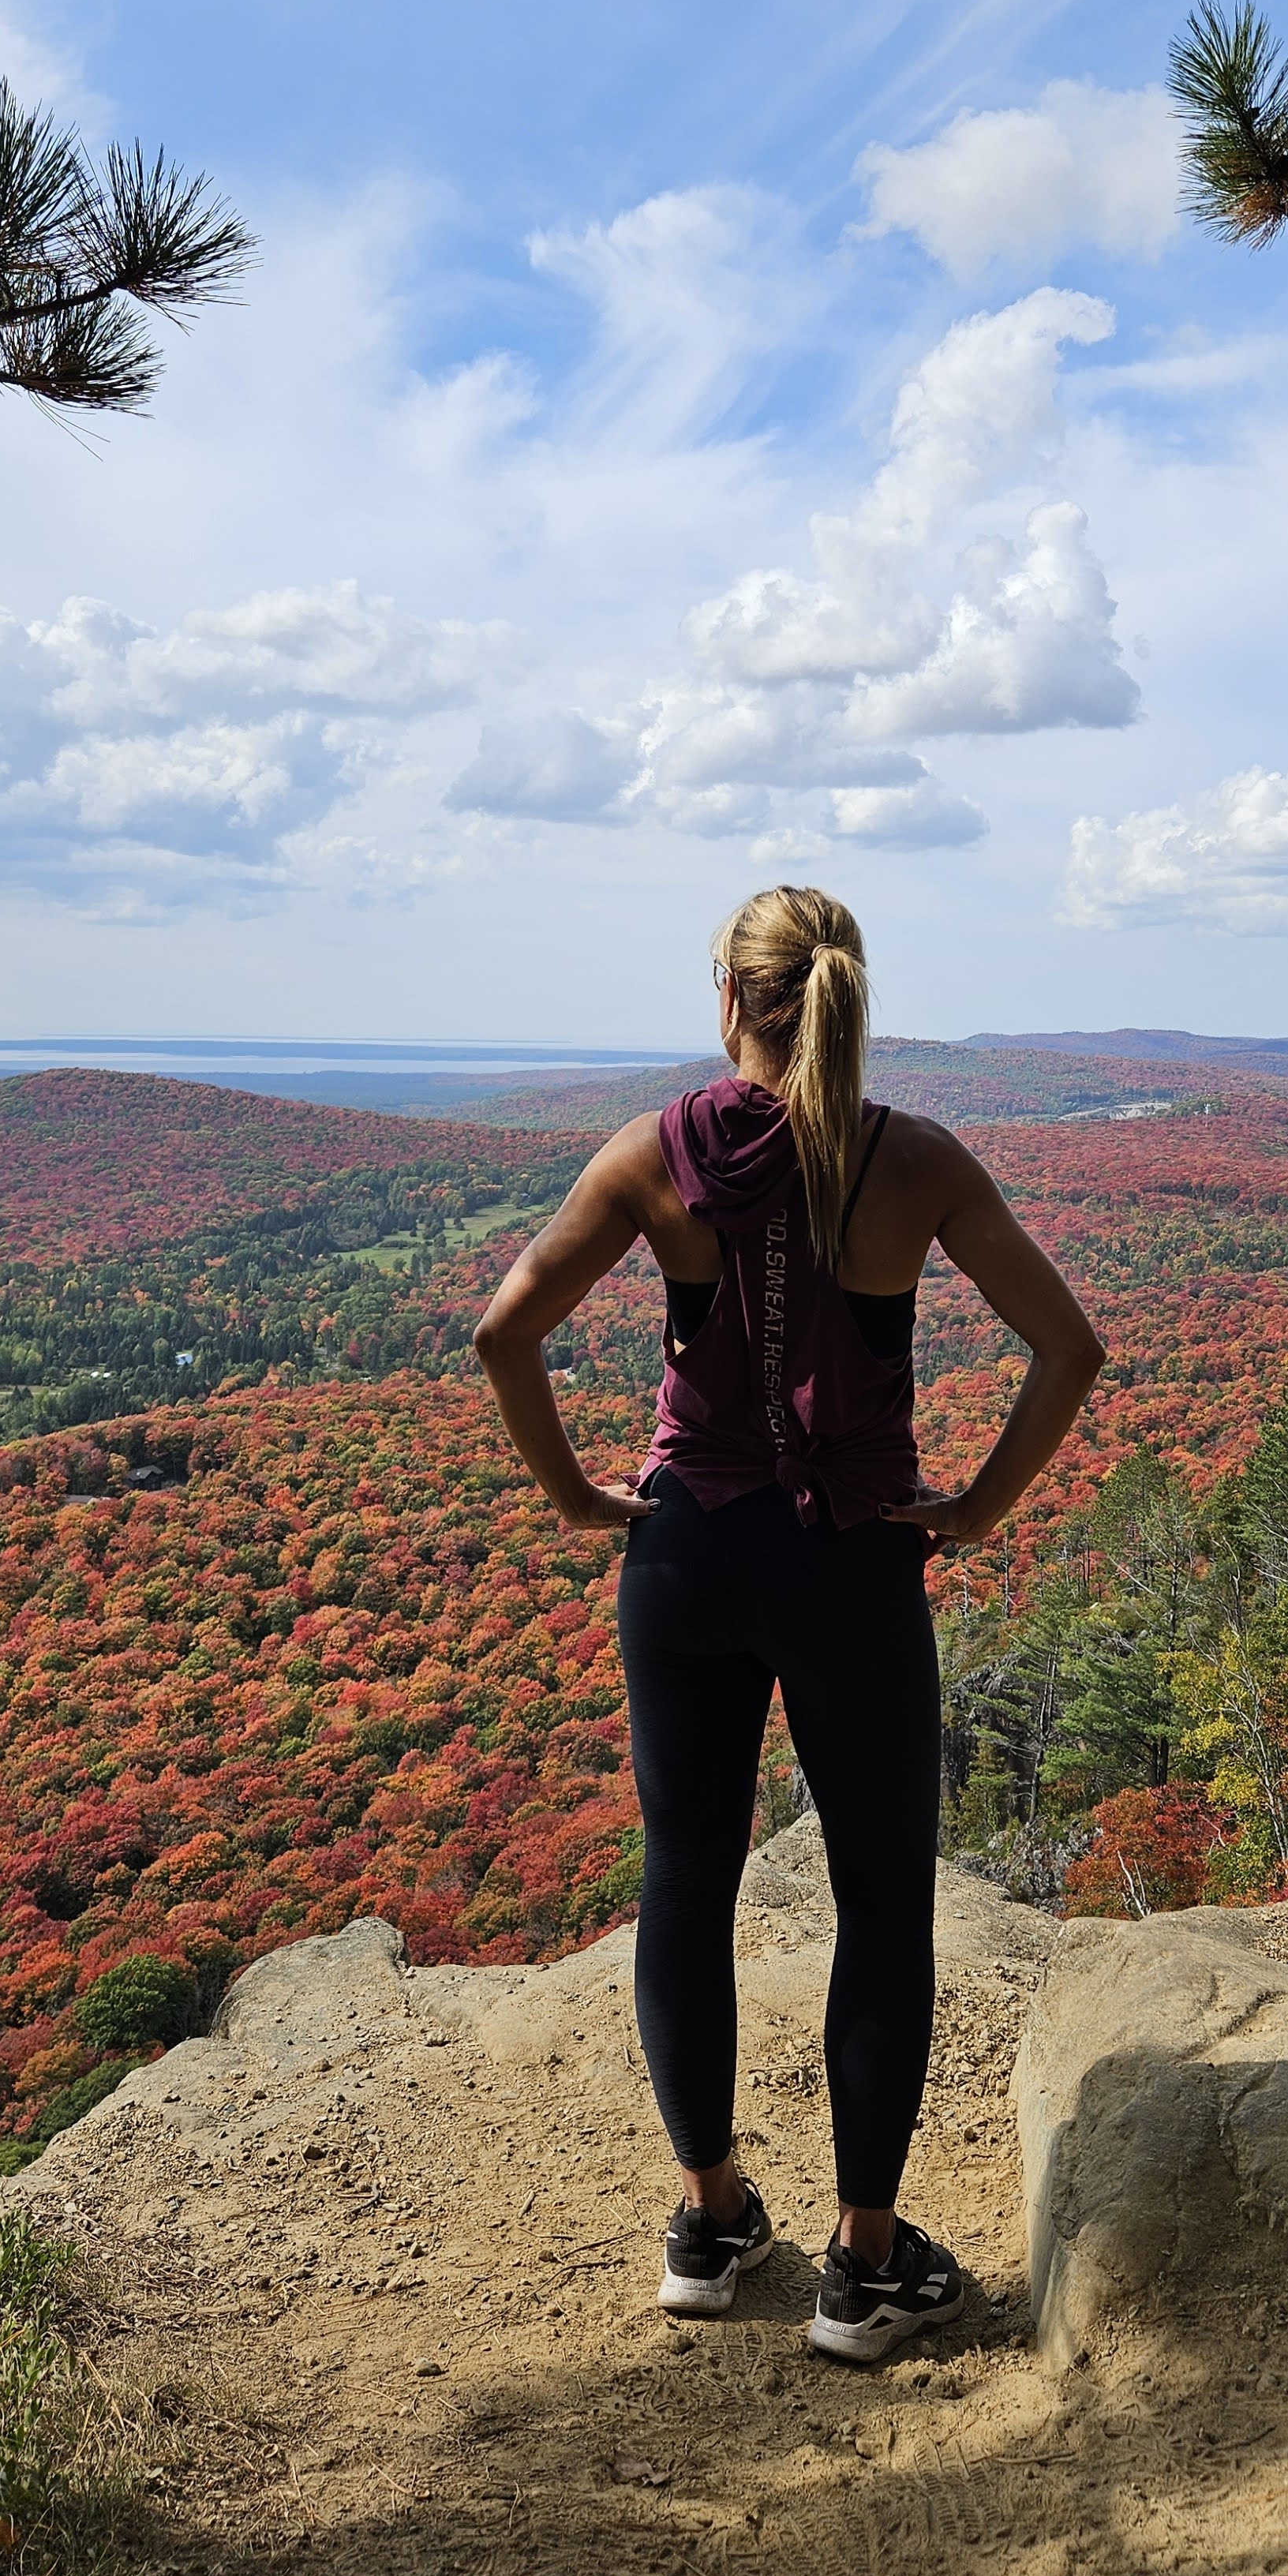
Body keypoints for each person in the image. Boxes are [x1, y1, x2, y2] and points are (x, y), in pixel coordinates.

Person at [473, 886, 1104, 2361]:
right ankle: (864, 2267)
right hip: (852, 1565)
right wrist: (977, 1511)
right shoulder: (916, 1163)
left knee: (685, 1882)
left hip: (686, 1553)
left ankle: (707, 2219)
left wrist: (576, 1495)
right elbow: (1069, 1348)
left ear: (728, 1000)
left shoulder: (656, 1156)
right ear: (847, 1001)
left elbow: (506, 1331)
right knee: (882, 1902)